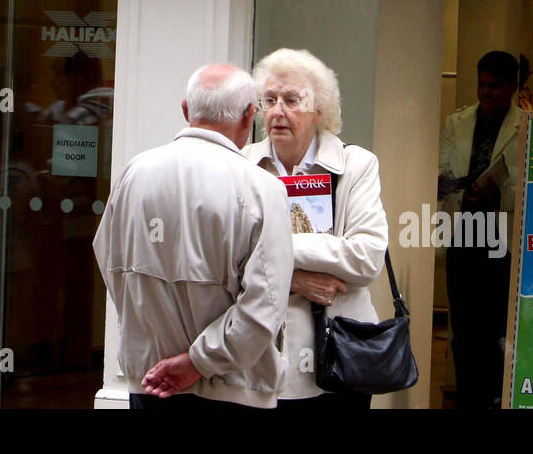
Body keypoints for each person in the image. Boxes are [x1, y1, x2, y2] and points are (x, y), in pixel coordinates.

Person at [93, 64, 293, 409]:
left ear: (186, 110)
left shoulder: (134, 173)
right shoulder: (263, 189)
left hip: (150, 384)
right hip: (233, 391)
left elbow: (111, 264)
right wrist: (197, 363)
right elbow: (266, 306)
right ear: (250, 116)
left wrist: (162, 342)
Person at [244, 48, 388, 410]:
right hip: (259, 363)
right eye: (270, 100)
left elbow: (367, 258)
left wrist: (274, 251)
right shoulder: (241, 165)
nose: (277, 111)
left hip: (340, 360)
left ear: (319, 111)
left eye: (292, 100)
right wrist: (294, 279)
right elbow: (222, 262)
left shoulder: (356, 165)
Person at [437, 50, 524, 409]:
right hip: (463, 233)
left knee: (495, 328)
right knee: (464, 327)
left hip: (501, 238)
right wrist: (443, 181)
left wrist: (499, 188)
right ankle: (469, 396)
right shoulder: (456, 122)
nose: (486, 93)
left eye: (495, 86)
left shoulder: (525, 125)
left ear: (513, 88)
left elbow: (528, 182)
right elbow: (441, 165)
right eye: (482, 85)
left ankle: (494, 396)